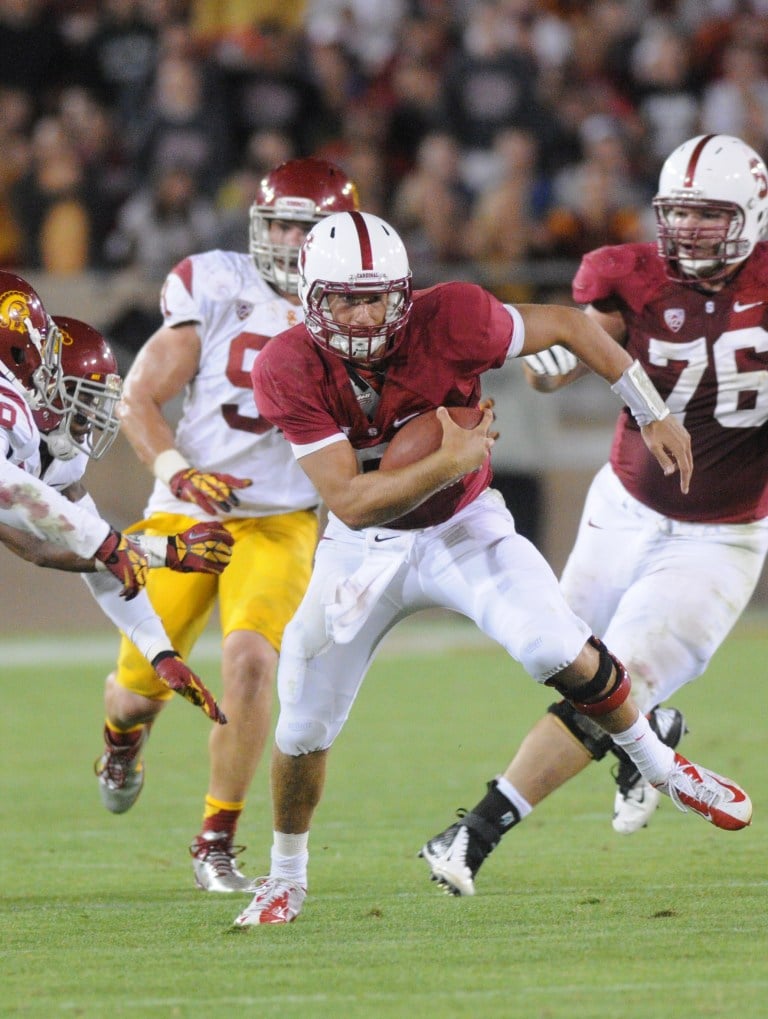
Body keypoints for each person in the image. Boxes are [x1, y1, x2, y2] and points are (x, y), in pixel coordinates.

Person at [233, 209, 751, 927]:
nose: (360, 313)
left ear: (404, 292)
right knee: (302, 725)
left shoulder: (454, 317)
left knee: (553, 643)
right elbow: (350, 502)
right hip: (364, 548)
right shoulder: (285, 364)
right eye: (343, 298)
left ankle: (662, 765)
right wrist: (446, 458)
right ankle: (286, 876)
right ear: (311, 298)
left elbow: (571, 326)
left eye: (375, 295)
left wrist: (652, 409)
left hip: (464, 525)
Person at [420, 132, 768, 896]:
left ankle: (475, 832)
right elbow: (589, 339)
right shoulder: (628, 272)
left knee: (620, 677)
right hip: (623, 505)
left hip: (720, 534)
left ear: (751, 214)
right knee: (555, 653)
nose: (689, 232)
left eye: (710, 216)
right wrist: (559, 361)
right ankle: (656, 741)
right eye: (678, 214)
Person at [94, 157, 360, 893]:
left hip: (279, 523)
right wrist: (177, 470)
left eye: (302, 229)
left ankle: (216, 839)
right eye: (276, 222)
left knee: (251, 664)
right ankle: (121, 741)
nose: (283, 239)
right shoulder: (214, 282)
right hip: (190, 510)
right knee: (134, 693)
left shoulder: (356, 305)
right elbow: (137, 398)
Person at [0, 281, 230, 724]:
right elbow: (26, 515)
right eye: (81, 401)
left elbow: (60, 547)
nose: (89, 421)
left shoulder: (49, 448)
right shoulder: (14, 412)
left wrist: (159, 652)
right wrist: (164, 551)